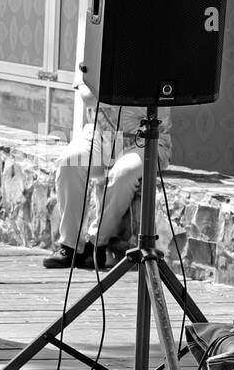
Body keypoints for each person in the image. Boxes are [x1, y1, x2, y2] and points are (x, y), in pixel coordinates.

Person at [43, 81, 171, 270]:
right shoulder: (96, 51)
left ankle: (97, 245)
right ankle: (70, 247)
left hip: (146, 139)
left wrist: (106, 97)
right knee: (69, 162)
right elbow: (86, 94)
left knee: (123, 173)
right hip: (99, 135)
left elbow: (155, 104)